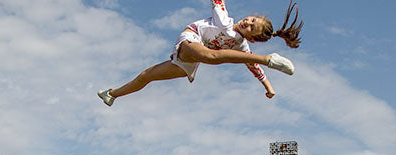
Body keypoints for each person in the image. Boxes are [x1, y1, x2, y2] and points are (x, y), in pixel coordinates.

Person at [96, 0, 303, 106]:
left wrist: (268, 87)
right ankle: (269, 59)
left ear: (252, 39)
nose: (247, 22)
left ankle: (111, 95)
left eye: (251, 28)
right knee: (209, 56)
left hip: (192, 59)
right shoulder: (224, 19)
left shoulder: (241, 47)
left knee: (146, 76)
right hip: (190, 39)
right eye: (251, 20)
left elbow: (253, 67)